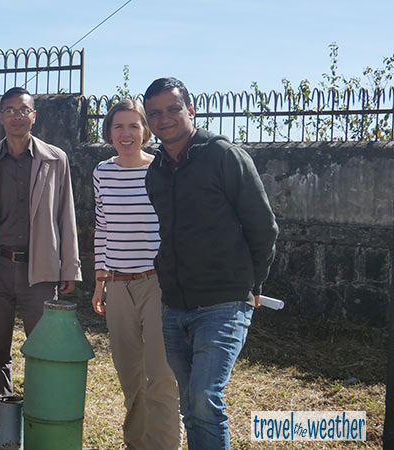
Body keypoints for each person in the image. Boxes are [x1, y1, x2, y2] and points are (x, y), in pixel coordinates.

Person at [143, 77, 279, 450]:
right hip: (174, 305)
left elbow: (264, 228)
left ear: (191, 109)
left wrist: (252, 286)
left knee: (205, 396)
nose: (164, 119)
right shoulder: (155, 171)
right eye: (154, 113)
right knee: (190, 403)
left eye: (172, 109)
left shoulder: (224, 156)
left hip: (223, 302)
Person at [0, 87, 82, 445]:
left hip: (40, 271)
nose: (17, 116)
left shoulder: (55, 159)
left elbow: (67, 214)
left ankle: (37, 422)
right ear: (0, 116)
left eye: (24, 110)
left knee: (41, 350)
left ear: (35, 116)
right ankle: (1, 428)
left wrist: (70, 267)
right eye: (10, 110)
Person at [91, 98, 182, 450]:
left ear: (146, 130)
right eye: (118, 126)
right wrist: (100, 281)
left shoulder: (161, 168)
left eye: (133, 126)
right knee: (130, 377)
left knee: (160, 376)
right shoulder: (102, 172)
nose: (125, 133)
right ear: (109, 131)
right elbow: (102, 227)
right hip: (116, 285)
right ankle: (136, 444)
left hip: (156, 283)